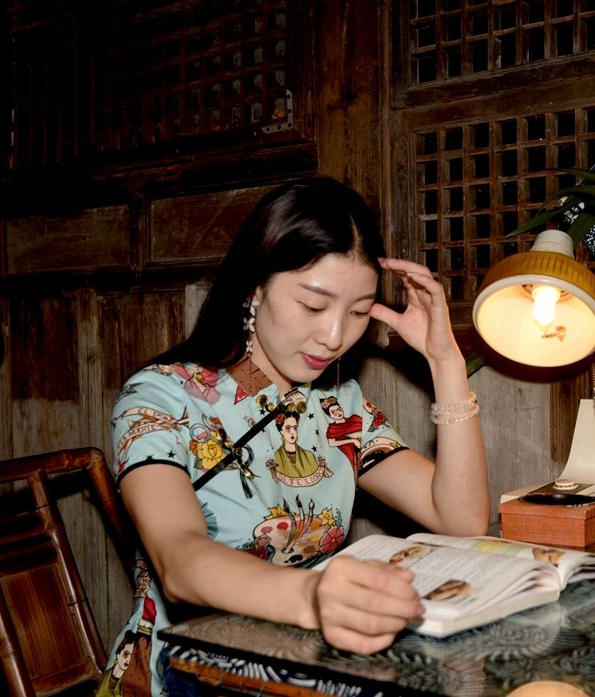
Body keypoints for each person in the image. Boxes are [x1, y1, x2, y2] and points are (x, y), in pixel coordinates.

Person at [102, 176, 489, 695]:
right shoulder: (161, 398)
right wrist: (313, 596)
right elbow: (180, 560)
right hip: (191, 671)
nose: (334, 337)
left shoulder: (336, 406)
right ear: (254, 287)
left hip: (306, 662)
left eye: (358, 312)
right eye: (312, 306)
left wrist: (446, 362)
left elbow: (460, 519)